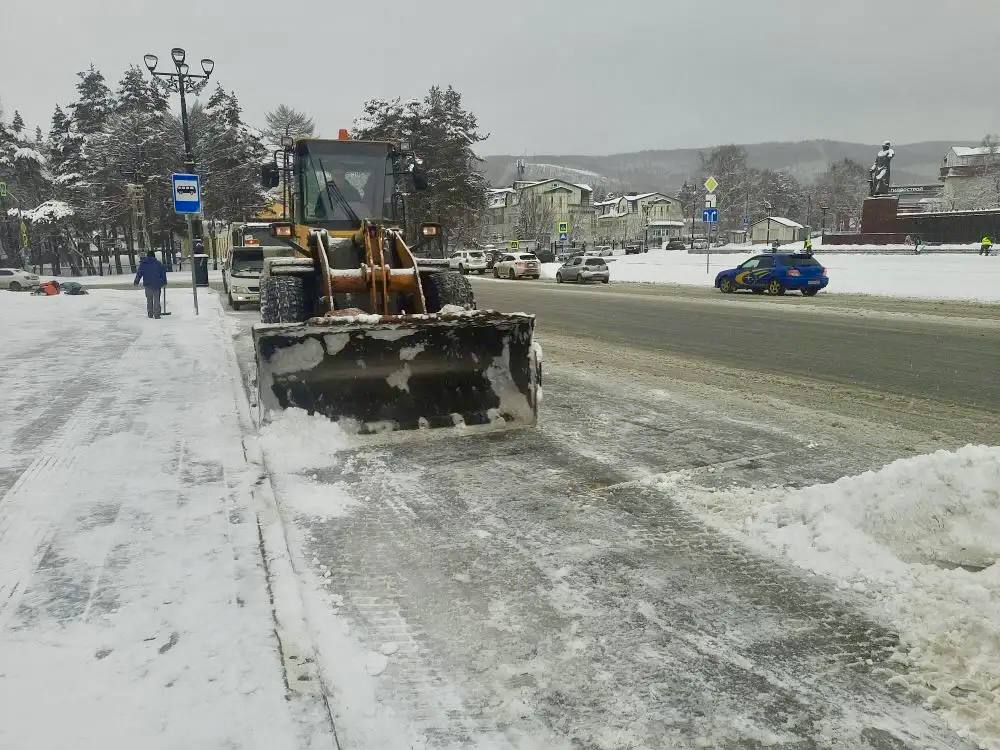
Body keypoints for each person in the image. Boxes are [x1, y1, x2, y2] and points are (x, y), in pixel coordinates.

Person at [134, 251, 168, 319]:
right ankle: (157, 315)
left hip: (147, 284)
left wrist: (136, 281)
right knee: (156, 300)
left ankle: (150, 314)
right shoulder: (159, 264)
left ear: (147, 256)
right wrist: (164, 282)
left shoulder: (143, 264)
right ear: (154, 256)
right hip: (157, 284)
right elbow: (163, 274)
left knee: (149, 300)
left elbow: (139, 273)